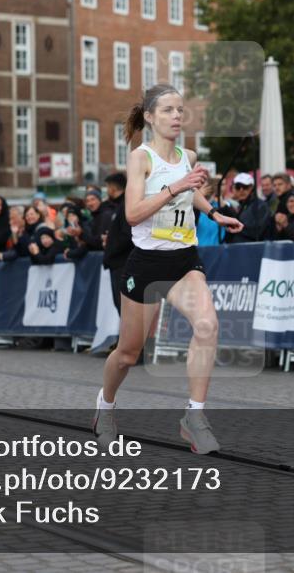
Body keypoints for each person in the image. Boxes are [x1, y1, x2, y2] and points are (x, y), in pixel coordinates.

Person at [94, 84, 243, 455]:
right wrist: (177, 186)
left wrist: (213, 212)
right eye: (168, 110)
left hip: (183, 258)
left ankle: (194, 417)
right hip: (146, 262)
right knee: (128, 354)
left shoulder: (187, 155)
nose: (177, 116)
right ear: (149, 116)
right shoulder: (140, 158)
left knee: (208, 325)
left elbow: (191, 192)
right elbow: (132, 214)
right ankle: (106, 406)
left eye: (180, 110)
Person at [101, 172, 132, 313]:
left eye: (107, 186)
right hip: (118, 263)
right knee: (120, 305)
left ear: (113, 187)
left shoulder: (126, 204)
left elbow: (127, 234)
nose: (107, 190)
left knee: (124, 305)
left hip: (123, 263)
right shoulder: (120, 205)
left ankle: (132, 335)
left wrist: (112, 249)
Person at [221, 172, 270, 244]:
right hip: (235, 249)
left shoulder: (261, 206)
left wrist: (229, 212)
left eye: (245, 187)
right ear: (233, 188)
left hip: (252, 250)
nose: (241, 190)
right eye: (238, 186)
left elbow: (256, 232)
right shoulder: (240, 206)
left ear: (252, 188)